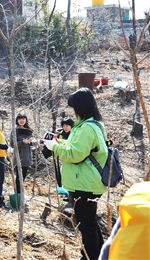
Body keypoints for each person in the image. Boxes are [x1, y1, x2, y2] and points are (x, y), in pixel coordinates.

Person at [43, 88, 108, 260]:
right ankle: (100, 254)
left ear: (81, 108)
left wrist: (54, 147)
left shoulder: (86, 128)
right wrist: (59, 142)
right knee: (90, 223)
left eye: (75, 108)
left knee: (85, 225)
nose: (74, 112)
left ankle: (89, 257)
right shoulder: (94, 125)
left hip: (84, 184)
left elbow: (75, 155)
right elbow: (77, 148)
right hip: (88, 182)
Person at [11, 113, 33, 193]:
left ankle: (20, 194)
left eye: (23, 118)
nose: (22, 120)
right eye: (20, 119)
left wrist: (31, 142)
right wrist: (22, 142)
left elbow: (33, 143)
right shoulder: (15, 130)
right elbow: (12, 144)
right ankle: (18, 195)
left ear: (26, 120)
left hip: (27, 156)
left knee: (23, 176)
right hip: (19, 157)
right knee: (19, 177)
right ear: (17, 120)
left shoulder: (29, 130)